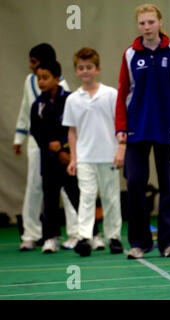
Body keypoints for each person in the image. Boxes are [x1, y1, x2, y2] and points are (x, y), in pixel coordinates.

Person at [115, 4, 170, 259]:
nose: (146, 27)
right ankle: (139, 242)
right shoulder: (129, 55)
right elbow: (123, 93)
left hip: (169, 129)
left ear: (160, 22)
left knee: (169, 187)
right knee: (135, 183)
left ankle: (169, 243)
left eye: (151, 22)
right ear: (138, 25)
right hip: (137, 129)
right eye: (142, 23)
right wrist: (121, 128)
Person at [13, 43, 79, 251]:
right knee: (35, 186)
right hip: (38, 143)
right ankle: (31, 233)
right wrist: (19, 136)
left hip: (62, 146)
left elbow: (69, 121)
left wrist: (64, 148)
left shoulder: (64, 87)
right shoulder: (28, 81)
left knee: (69, 190)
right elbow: (26, 109)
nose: (31, 67)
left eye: (34, 62)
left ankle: (75, 232)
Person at [63, 47, 123, 257]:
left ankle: (114, 237)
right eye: (81, 68)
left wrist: (120, 150)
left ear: (97, 69)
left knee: (111, 197)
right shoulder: (72, 99)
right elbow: (72, 131)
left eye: (89, 67)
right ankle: (84, 238)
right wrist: (73, 158)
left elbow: (120, 125)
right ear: (76, 71)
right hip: (85, 157)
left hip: (109, 155)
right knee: (86, 197)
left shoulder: (111, 94)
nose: (85, 71)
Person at [29, 60, 80, 253]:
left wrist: (64, 147)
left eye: (45, 78)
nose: (41, 82)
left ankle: (90, 234)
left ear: (57, 78)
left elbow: (74, 127)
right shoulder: (37, 105)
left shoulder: (70, 100)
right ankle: (50, 237)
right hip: (49, 161)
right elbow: (36, 131)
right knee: (50, 200)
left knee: (76, 196)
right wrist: (53, 148)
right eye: (38, 79)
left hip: (68, 159)